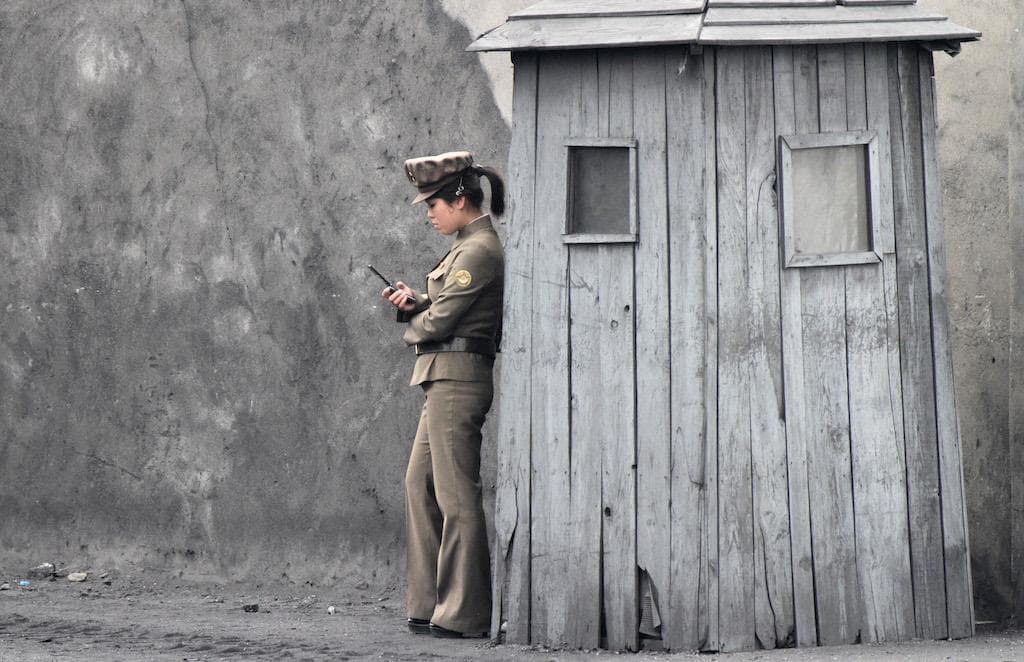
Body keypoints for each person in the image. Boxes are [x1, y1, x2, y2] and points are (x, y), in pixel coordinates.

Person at [382, 150, 505, 639]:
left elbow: (439, 322)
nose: (429, 212)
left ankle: (464, 614)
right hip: (442, 378)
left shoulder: (478, 251)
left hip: (459, 380)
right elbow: (440, 307)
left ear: (460, 197)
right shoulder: (463, 247)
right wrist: (417, 302)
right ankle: (430, 603)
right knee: (420, 485)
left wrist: (416, 317)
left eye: (433, 202)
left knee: (456, 496)